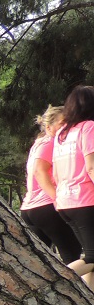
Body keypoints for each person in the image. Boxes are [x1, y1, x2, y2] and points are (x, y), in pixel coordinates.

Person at [20, 106, 81, 264]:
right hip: (46, 206)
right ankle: (73, 281)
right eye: (62, 123)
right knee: (72, 252)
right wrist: (57, 199)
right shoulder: (50, 142)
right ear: (48, 127)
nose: (67, 126)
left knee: (40, 260)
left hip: (31, 208)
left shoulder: (39, 143)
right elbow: (39, 171)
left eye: (70, 122)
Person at [52, 86, 94, 287]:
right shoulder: (89, 127)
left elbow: (56, 172)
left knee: (90, 256)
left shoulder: (62, 133)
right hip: (85, 200)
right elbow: (91, 166)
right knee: (92, 257)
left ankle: (88, 298)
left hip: (65, 202)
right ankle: (53, 281)